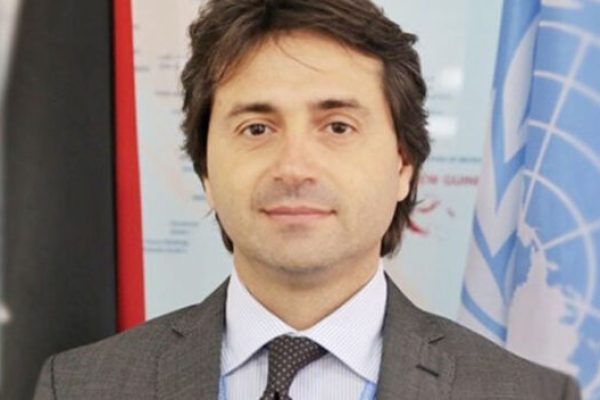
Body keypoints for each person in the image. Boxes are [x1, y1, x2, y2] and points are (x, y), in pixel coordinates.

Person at [33, 0, 581, 399]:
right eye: (256, 129)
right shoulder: (79, 387)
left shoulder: (526, 394)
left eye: (338, 126)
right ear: (206, 172)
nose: (293, 167)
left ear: (403, 166)